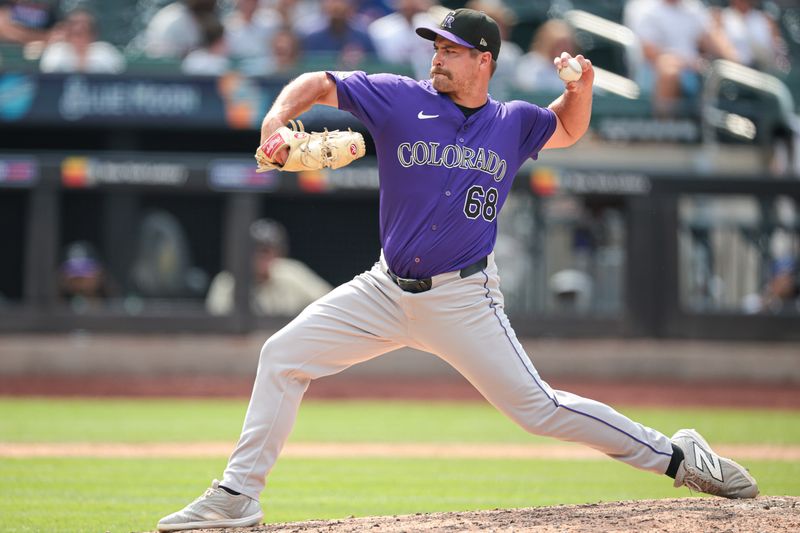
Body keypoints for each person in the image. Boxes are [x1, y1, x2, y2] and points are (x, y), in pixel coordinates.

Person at [157, 8, 758, 531]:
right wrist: (275, 120)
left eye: (452, 51)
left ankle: (681, 459)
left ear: (485, 62)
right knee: (281, 356)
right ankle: (238, 496)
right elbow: (318, 82)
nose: (438, 59)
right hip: (385, 288)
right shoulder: (400, 97)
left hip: (464, 299)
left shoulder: (513, 122)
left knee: (539, 410)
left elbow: (571, 128)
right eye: (436, 48)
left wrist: (581, 87)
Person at [627, 0, 737, 115]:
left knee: (724, 72)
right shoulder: (643, 7)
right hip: (653, 73)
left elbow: (709, 38)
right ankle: (665, 129)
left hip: (693, 72)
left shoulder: (694, 7)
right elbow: (650, 53)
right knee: (669, 71)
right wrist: (688, 63)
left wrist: (734, 59)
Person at [205, 218, 332, 317]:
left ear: (279, 252)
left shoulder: (291, 272)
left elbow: (331, 303)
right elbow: (215, 323)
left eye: (266, 250)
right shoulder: (228, 280)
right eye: (255, 250)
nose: (261, 257)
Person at [39, 7, 126, 74]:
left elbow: (119, 79)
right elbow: (48, 79)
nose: (78, 38)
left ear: (93, 35)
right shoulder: (56, 51)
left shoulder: (106, 51)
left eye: (84, 32)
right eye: (75, 33)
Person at [514, 18, 578, 94]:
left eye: (567, 44)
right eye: (559, 44)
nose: (563, 48)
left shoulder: (575, 67)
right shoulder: (529, 64)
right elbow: (526, 90)